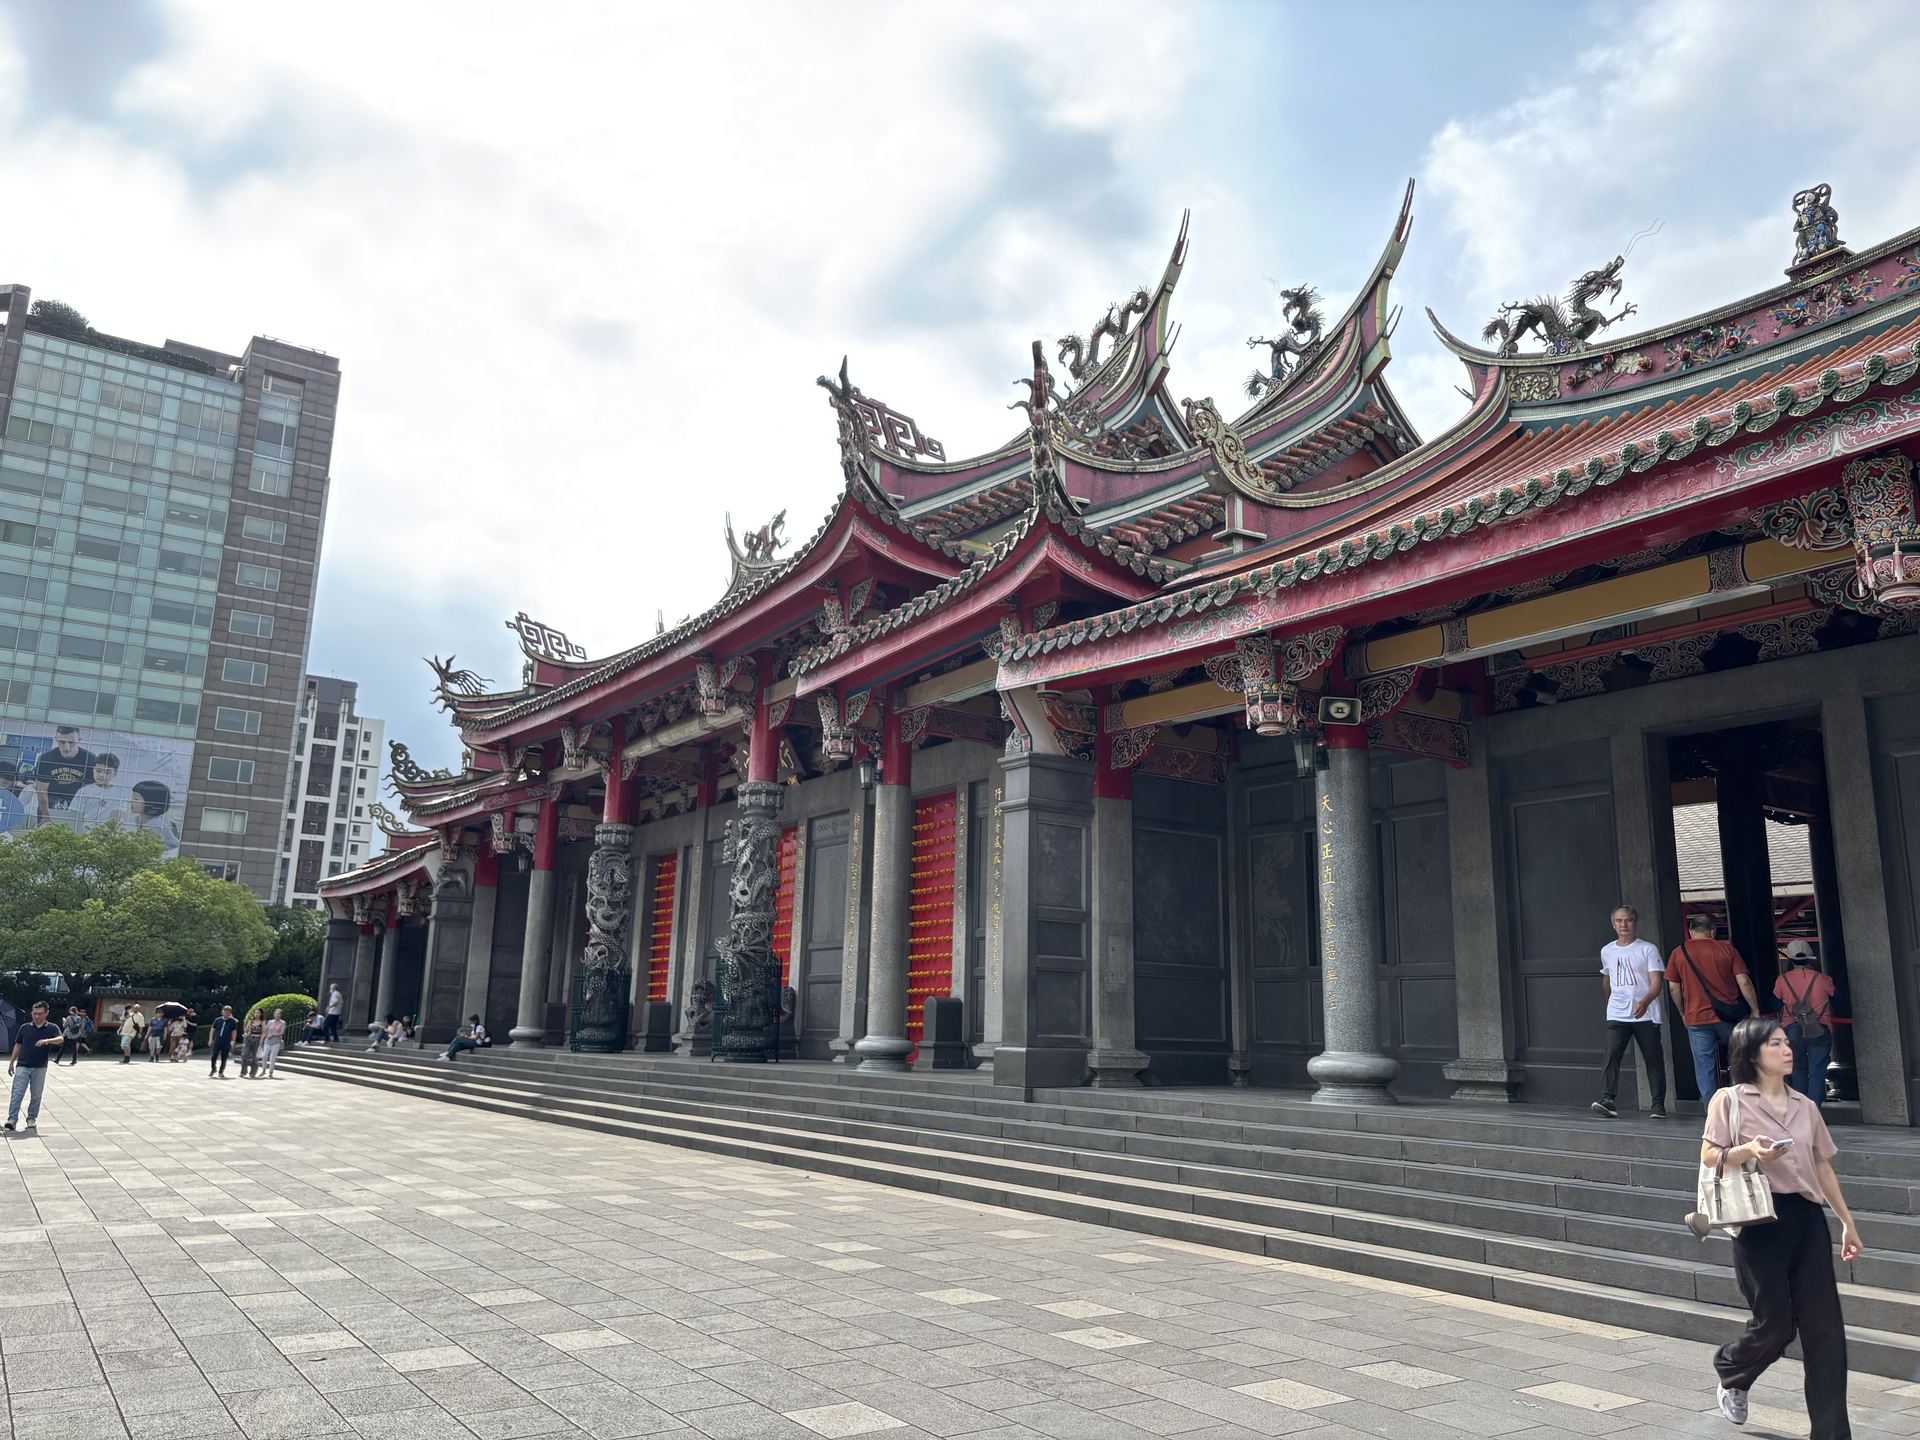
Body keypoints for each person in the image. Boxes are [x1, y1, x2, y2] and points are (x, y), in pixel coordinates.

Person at [1702, 1016, 1863, 1437]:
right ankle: (1733, 1370)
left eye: (1786, 1042)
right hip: (1759, 1220)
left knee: (1825, 1331)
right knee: (1775, 1324)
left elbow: (1821, 1166)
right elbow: (1710, 1155)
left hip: (1807, 1219)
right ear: (1752, 1052)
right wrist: (1749, 1150)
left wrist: (1846, 1221)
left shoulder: (1806, 1105)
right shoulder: (1730, 1100)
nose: (1787, 1049)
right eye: (1775, 1044)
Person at [1666, 913, 1759, 1104]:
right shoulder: (1727, 950)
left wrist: (1683, 1012)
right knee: (1741, 1060)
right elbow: (1744, 981)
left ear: (1691, 932)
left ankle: (1712, 1111)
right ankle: (1742, 1103)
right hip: (1728, 1016)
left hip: (1696, 1017)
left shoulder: (1679, 952)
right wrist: (1755, 1010)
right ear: (1713, 931)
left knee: (1704, 1068)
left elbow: (1674, 987)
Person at [1593, 904, 1668, 1119]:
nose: (1623, 924)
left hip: (1645, 1013)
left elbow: (1657, 981)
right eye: (1619, 921)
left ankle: (1657, 1104)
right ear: (1613, 924)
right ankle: (1607, 1098)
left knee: (1653, 1058)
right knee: (1612, 1055)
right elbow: (1607, 979)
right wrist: (1610, 1003)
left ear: (1635, 923)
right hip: (1618, 1012)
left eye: (1628, 920)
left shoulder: (1647, 949)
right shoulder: (1607, 950)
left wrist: (1645, 1001)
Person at [1776, 940, 1837, 1109]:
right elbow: (1835, 997)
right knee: (1817, 1071)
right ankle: (1814, 1111)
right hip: (1819, 1027)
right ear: (1810, 957)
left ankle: (1800, 1110)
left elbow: (1775, 1002)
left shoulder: (1782, 980)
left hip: (1792, 1029)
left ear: (1790, 958)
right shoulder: (1823, 979)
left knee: (1797, 1069)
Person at [5, 1001, 64, 1131]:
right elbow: (18, 1045)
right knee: (17, 1093)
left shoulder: (52, 1028)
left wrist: (47, 1041)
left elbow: (61, 1039)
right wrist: (11, 1062)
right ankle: (12, 1119)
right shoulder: (25, 1027)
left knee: (36, 1094)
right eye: (34, 1013)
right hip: (23, 1065)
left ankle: (31, 1118)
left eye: (40, 1014)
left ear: (46, 1013)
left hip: (40, 1067)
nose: (37, 1016)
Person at [29, 726, 92, 821]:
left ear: (79, 741)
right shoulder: (46, 758)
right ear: (56, 739)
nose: (66, 748)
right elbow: (41, 791)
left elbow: (92, 792)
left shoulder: (90, 760)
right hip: (50, 801)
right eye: (62, 742)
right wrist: (46, 816)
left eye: (71, 742)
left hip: (77, 802)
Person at [69, 752, 130, 831]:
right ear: (93, 769)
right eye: (98, 771)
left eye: (107, 772)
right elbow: (74, 816)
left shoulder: (120, 793)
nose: (102, 775)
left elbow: (119, 817)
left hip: (108, 834)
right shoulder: (83, 791)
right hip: (84, 833)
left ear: (115, 773)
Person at [125, 781, 182, 852]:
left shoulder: (155, 823)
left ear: (150, 801)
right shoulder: (138, 818)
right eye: (132, 797)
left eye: (136, 798)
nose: (131, 801)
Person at [207, 1006, 240, 1078]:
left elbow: (234, 1031)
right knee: (213, 1056)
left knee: (224, 1057)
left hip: (226, 1041)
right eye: (225, 1011)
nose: (226, 1013)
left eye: (228, 1012)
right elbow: (212, 1030)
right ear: (222, 1012)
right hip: (217, 1040)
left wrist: (233, 1041)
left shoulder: (232, 1021)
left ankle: (221, 1071)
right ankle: (213, 1068)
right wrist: (210, 1039)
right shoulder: (217, 1020)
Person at [261, 1009, 287, 1078]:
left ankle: (270, 1072)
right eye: (276, 1013)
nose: (277, 1015)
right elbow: (265, 1030)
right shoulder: (270, 1022)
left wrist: (273, 1034)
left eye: (278, 1014)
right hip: (268, 1041)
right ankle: (263, 1070)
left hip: (276, 1042)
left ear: (281, 1015)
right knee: (264, 1055)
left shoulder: (282, 1023)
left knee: (272, 1058)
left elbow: (282, 1032)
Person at [238, 1012, 264, 1079]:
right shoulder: (251, 1021)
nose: (256, 1014)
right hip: (249, 1039)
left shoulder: (262, 1022)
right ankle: (243, 1072)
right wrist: (248, 1026)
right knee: (244, 1055)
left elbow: (264, 1032)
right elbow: (245, 1030)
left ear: (260, 1014)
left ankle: (253, 1073)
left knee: (254, 1057)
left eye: (258, 1013)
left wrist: (261, 1042)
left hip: (257, 1040)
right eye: (255, 1013)